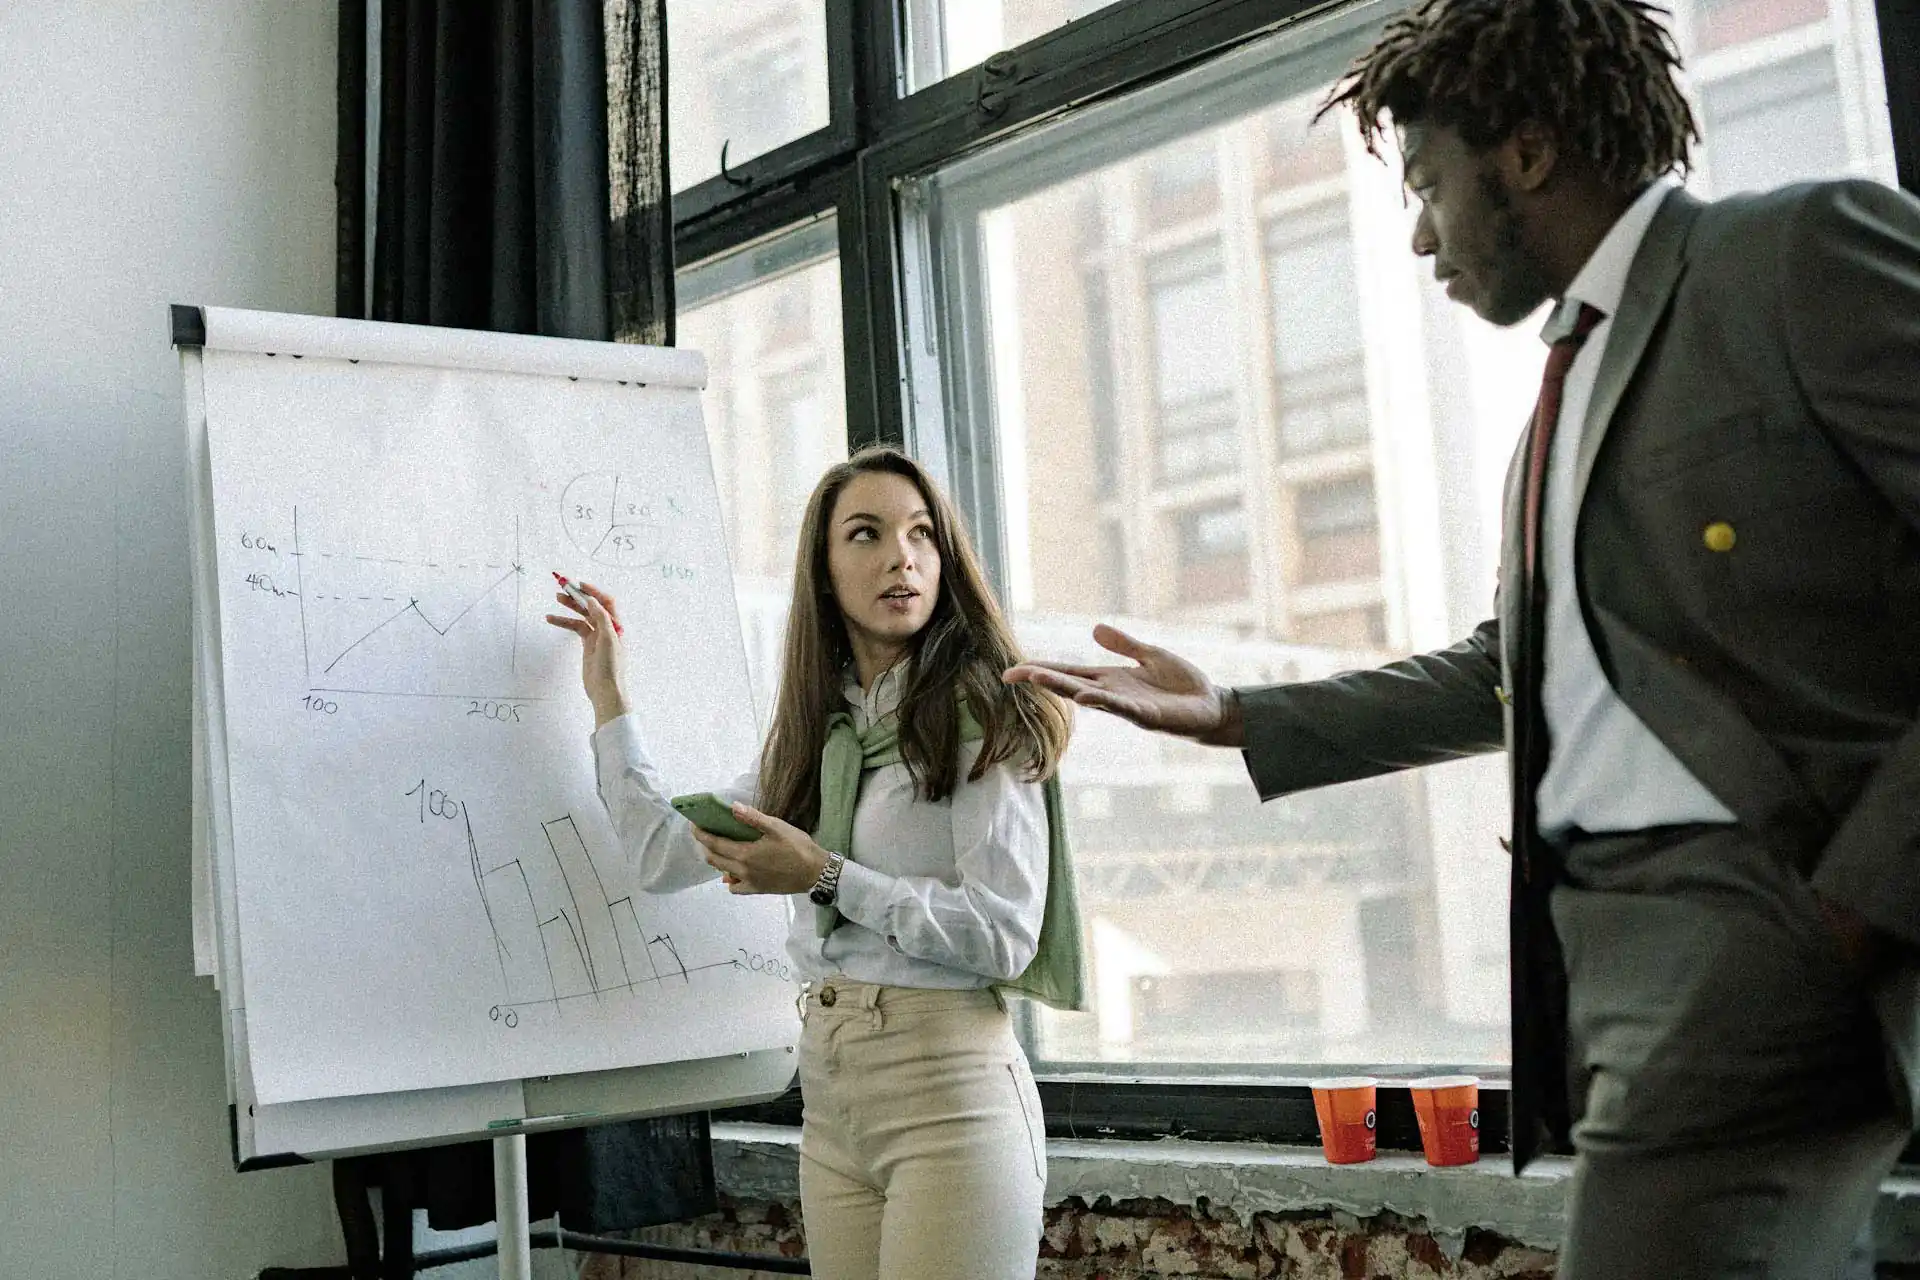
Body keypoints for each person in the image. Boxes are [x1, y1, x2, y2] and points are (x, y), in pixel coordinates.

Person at [1006, 0, 1920, 1274]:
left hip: (1759, 928)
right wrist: (1242, 716)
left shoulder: (1794, 256)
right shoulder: (1560, 401)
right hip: (1606, 955)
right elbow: (1511, 667)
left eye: (1430, 185)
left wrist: (1857, 907)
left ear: (1529, 155)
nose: (1424, 235)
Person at [548, 444, 1079, 1280]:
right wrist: (608, 695)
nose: (901, 557)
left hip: (949, 1091)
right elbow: (659, 855)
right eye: (866, 535)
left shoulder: (985, 713)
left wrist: (826, 875)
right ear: (825, 574)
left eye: (921, 535)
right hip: (832, 1091)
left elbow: (1003, 936)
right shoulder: (818, 734)